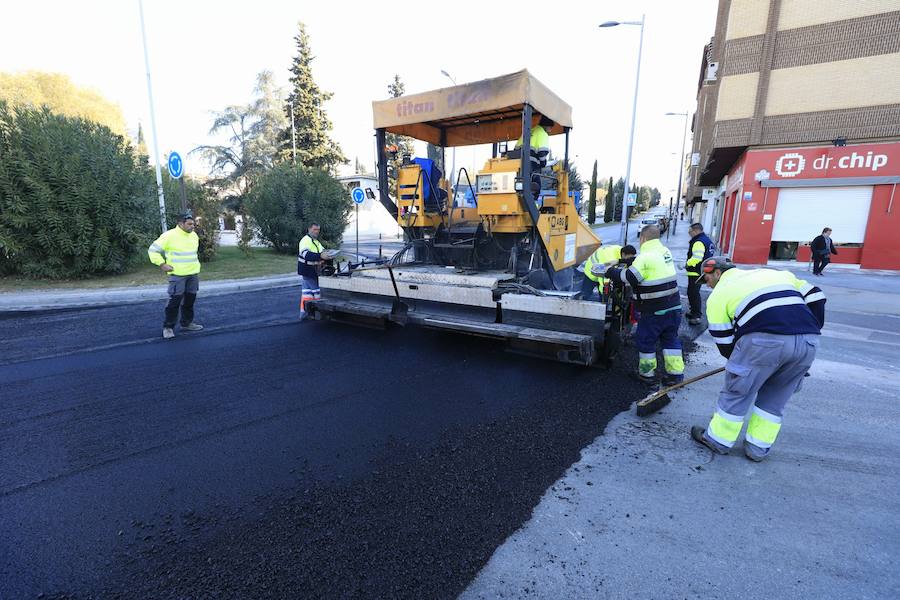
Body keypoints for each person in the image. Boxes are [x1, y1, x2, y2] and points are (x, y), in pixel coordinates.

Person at [692, 256, 826, 461]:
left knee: (738, 391)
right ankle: (757, 449)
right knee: (776, 397)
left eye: (707, 279)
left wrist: (740, 366)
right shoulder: (773, 274)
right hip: (808, 342)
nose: (707, 285)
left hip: (764, 343)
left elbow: (725, 343)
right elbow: (816, 296)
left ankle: (718, 440)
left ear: (717, 272)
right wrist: (811, 329)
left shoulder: (718, 296)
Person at [604, 226, 684, 385]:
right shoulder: (664, 251)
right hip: (674, 307)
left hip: (654, 310)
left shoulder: (645, 257)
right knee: (670, 340)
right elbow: (646, 263)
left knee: (646, 340)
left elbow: (629, 277)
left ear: (643, 238)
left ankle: (647, 374)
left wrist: (609, 271)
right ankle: (675, 376)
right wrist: (620, 260)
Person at [148, 212, 203, 339]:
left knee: (190, 300)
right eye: (189, 224)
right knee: (174, 302)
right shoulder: (169, 236)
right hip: (177, 275)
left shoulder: (194, 236)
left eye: (193, 224)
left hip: (193, 274)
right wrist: (162, 264)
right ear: (180, 223)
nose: (192, 226)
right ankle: (168, 327)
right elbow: (153, 250)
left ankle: (186, 323)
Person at [684, 223, 717, 325]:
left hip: (696, 271)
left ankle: (696, 315)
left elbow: (697, 258)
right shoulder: (707, 240)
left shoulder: (698, 242)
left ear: (695, 231)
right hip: (702, 270)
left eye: (690, 232)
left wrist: (686, 264)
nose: (689, 234)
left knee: (693, 293)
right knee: (693, 293)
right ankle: (694, 312)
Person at [298, 222, 324, 321]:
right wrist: (320, 256)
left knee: (307, 294)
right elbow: (306, 255)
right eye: (314, 229)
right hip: (308, 271)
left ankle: (304, 313)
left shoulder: (316, 242)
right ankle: (320, 312)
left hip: (311, 271)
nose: (316, 232)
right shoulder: (305, 240)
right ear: (309, 229)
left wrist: (326, 254)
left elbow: (322, 251)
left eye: (318, 230)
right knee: (317, 292)